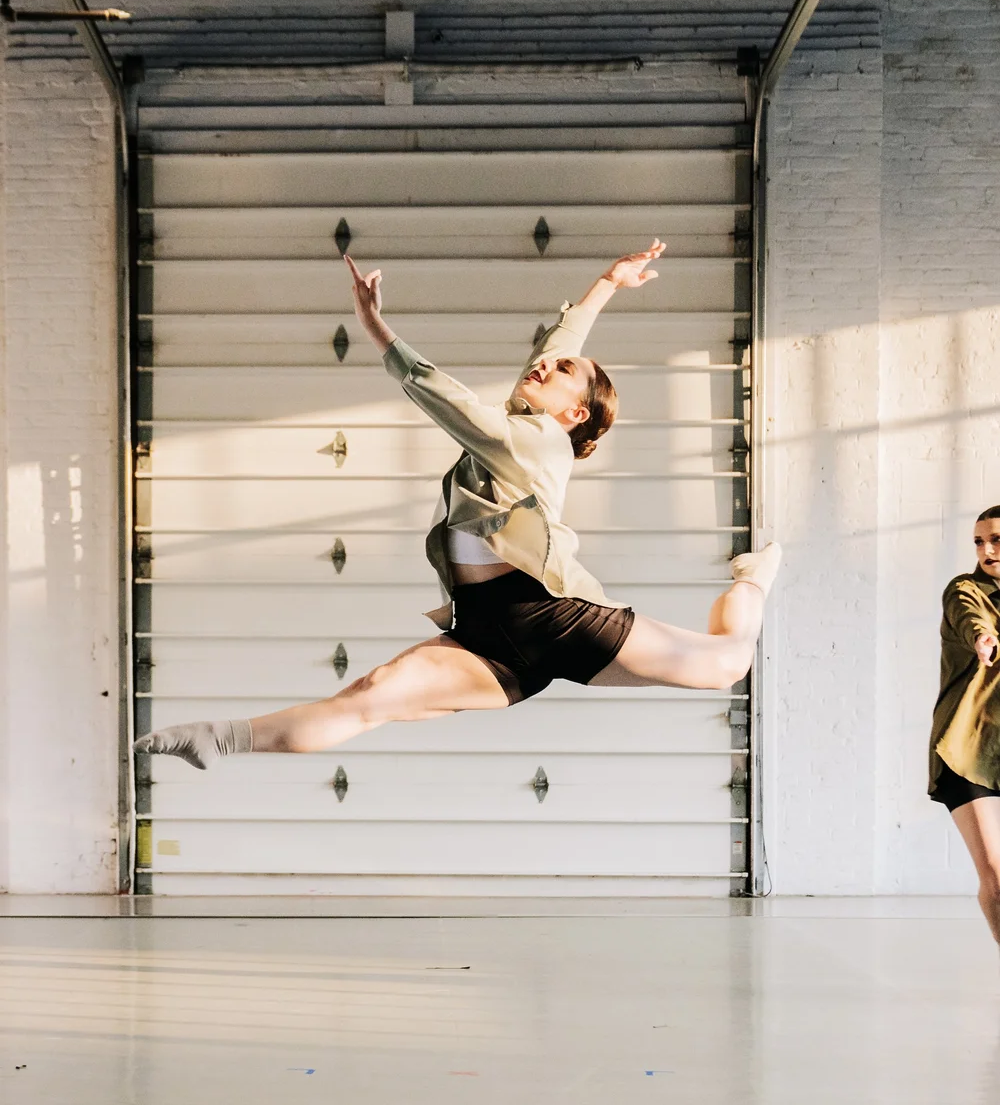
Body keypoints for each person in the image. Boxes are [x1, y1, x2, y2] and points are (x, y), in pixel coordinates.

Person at [134, 241, 781, 770]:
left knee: (728, 661)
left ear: (576, 413)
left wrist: (375, 327)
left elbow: (447, 399)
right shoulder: (525, 421)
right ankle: (217, 738)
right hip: (486, 633)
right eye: (547, 363)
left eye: (561, 372)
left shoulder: (537, 439)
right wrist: (607, 284)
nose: (543, 366)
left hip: (549, 615)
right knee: (369, 697)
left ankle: (753, 577)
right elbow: (558, 344)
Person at [929, 506, 1000, 944]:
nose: (986, 550)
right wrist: (982, 637)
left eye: (996, 540)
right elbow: (968, 615)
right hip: (968, 747)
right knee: (995, 875)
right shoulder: (965, 589)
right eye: (979, 541)